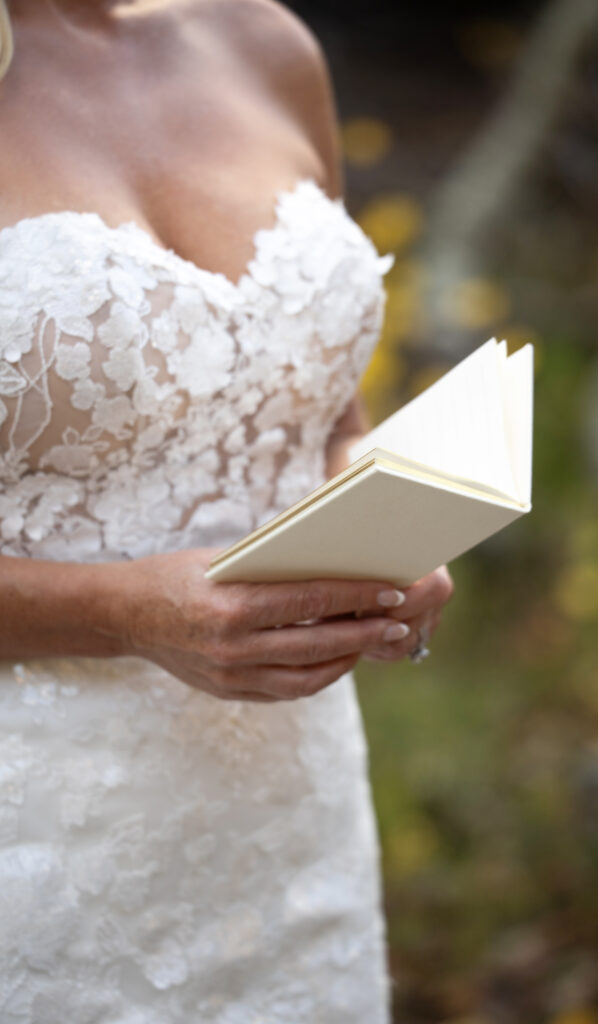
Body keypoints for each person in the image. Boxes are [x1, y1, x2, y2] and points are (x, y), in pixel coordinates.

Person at [0, 1, 454, 1019]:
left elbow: (325, 403)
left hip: (292, 828)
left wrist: (388, 513)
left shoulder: (264, 43)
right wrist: (122, 611)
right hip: (31, 852)